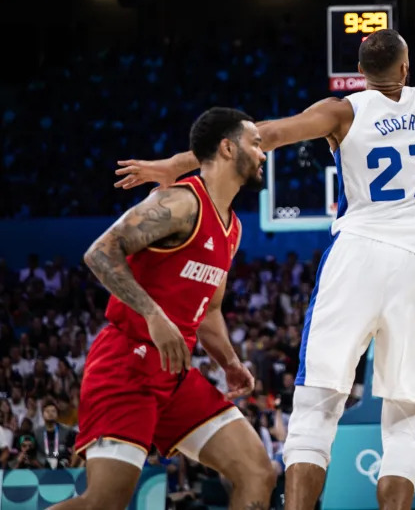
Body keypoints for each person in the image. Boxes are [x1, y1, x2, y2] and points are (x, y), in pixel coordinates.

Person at [116, 0, 415, 510]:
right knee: (402, 423)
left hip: (357, 257)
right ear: (406, 69)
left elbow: (259, 135)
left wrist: (173, 164)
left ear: (359, 74)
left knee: (316, 407)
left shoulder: (342, 111)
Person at [54, 108, 276, 510]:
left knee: (258, 472)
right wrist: (153, 314)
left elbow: (208, 310)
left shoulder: (233, 228)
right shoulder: (179, 202)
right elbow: (100, 253)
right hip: (126, 363)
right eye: (255, 144)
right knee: (103, 502)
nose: (263, 154)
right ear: (227, 148)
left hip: (174, 374)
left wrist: (228, 360)